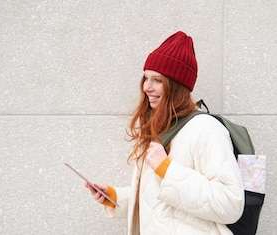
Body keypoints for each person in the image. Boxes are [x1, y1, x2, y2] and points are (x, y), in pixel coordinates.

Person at [85, 31, 244, 234]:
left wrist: (167, 170)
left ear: (177, 86)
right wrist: (116, 198)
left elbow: (230, 204)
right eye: (146, 78)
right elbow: (159, 204)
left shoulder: (206, 129)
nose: (146, 87)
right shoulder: (162, 129)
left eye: (157, 80)